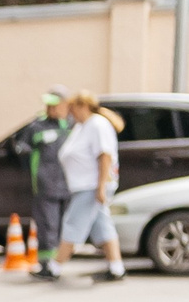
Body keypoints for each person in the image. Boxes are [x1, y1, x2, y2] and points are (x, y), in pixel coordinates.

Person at [54, 91, 127, 282]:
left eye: (72, 109)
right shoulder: (83, 126)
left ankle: (54, 267)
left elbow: (105, 156)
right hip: (85, 185)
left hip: (91, 185)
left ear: (82, 106)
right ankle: (116, 268)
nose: (71, 114)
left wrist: (101, 187)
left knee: (72, 224)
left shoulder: (97, 124)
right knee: (103, 228)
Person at [26, 88, 71, 280]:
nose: (50, 108)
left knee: (65, 227)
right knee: (47, 226)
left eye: (55, 104)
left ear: (64, 104)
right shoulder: (37, 126)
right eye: (48, 104)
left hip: (70, 185)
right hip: (46, 185)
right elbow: (23, 148)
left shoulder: (73, 125)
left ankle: (58, 264)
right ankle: (47, 265)